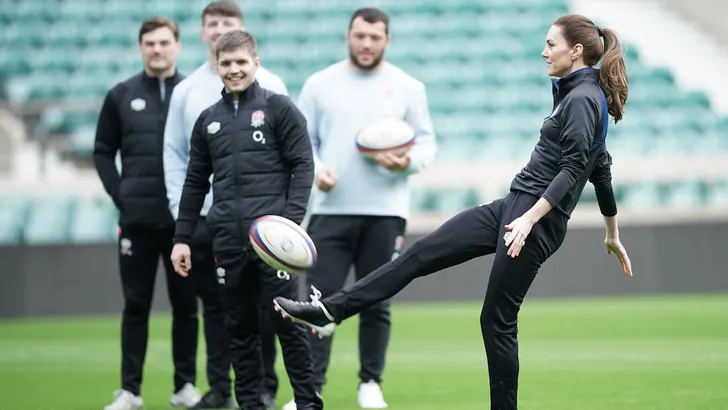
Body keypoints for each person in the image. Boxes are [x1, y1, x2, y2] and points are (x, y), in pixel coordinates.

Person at [272, 14, 634, 410]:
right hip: (513, 208)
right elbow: (600, 167)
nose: (544, 51)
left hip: (532, 221)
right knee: (419, 254)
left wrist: (530, 220)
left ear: (575, 51)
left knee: (496, 321)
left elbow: (572, 169)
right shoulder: (576, 92)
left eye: (551, 44)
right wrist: (611, 233)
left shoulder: (582, 97)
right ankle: (330, 311)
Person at [281, 7, 438, 410]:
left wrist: (406, 161)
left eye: (375, 37)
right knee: (319, 301)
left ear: (387, 40)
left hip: (386, 212)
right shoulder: (319, 85)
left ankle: (370, 383)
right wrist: (318, 171)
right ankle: (309, 391)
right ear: (348, 36)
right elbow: (301, 144)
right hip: (331, 211)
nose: (366, 44)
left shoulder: (408, 87)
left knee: (377, 299)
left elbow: (426, 144)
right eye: (360, 36)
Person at [170, 30, 324, 410]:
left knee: (289, 326)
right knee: (238, 331)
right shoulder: (208, 120)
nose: (234, 69)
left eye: (242, 62)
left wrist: (287, 226)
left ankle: (307, 403)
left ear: (256, 63)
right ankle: (251, 404)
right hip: (228, 241)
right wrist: (182, 237)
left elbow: (303, 166)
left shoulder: (279, 109)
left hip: (275, 249)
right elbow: (194, 182)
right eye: (227, 63)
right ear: (217, 65)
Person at [163, 2, 288, 408]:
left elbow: (290, 157)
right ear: (203, 35)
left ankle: (264, 387)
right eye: (212, 24)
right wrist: (183, 216)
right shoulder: (185, 92)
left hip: (260, 223)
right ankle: (220, 388)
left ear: (242, 33)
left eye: (227, 23)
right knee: (218, 310)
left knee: (264, 308)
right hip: (205, 220)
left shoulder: (273, 87)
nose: (220, 28)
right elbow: (177, 156)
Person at [94, 17, 203, 410]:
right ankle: (130, 392)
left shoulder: (194, 93)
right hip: (137, 222)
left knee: (186, 307)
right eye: (150, 44)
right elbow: (103, 150)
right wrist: (119, 192)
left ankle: (185, 386)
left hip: (184, 225)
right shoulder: (120, 95)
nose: (157, 49)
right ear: (141, 49)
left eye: (164, 42)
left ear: (177, 46)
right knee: (136, 306)